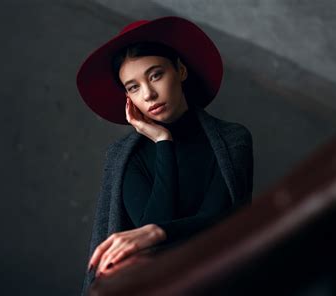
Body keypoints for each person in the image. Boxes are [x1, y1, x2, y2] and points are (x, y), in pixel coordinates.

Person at [76, 16, 253, 295]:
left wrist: (159, 232)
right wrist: (162, 141)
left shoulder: (232, 140)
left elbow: (218, 222)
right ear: (128, 98)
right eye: (133, 87)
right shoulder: (124, 158)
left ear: (180, 70)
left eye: (155, 75)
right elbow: (153, 246)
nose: (148, 94)